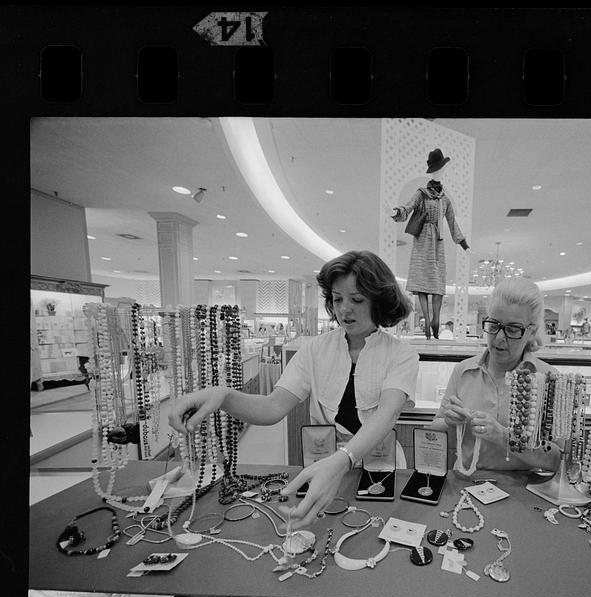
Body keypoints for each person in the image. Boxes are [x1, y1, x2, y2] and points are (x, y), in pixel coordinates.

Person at [168, 250, 419, 528]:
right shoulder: (316, 350)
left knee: (374, 532)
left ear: (379, 301)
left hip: (380, 466)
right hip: (323, 465)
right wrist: (223, 395)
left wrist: (343, 459)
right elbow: (272, 407)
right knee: (322, 532)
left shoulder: (401, 354)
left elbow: (386, 415)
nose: (344, 309)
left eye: (357, 300)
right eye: (338, 299)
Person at [431, 278, 562, 472]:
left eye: (512, 329)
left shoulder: (548, 378)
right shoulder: (464, 370)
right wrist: (449, 422)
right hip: (467, 481)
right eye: (493, 325)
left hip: (524, 487)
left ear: (531, 331)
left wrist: (503, 436)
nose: (499, 338)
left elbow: (556, 458)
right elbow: (435, 428)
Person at [392, 148, 469, 340]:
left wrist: (464, 244)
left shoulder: (445, 199)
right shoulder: (421, 193)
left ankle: (435, 319)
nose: (442, 172)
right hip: (422, 240)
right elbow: (408, 207)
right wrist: (398, 212)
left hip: (438, 241)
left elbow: (452, 223)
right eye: (439, 169)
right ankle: (427, 320)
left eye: (443, 169)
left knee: (438, 284)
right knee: (422, 283)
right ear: (433, 171)